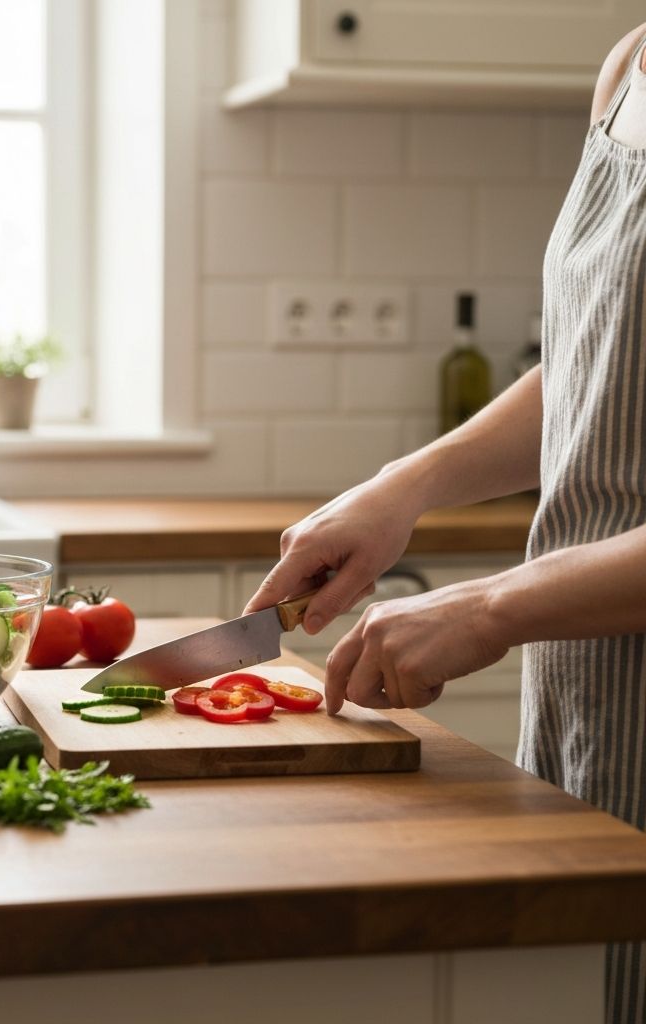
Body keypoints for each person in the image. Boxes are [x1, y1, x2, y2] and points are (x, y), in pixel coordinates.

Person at [245, 23, 646, 1024]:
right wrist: (405, 484)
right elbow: (600, 363)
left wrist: (498, 605)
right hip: (589, 687)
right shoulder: (629, 64)